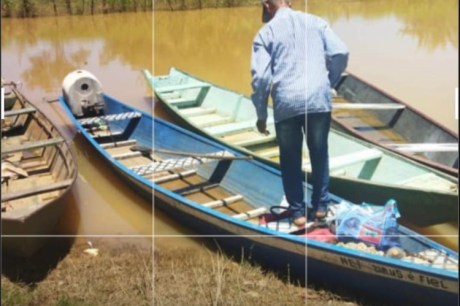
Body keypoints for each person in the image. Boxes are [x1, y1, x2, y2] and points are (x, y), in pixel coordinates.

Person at [251, 0, 349, 226]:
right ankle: (321, 207)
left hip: (287, 102)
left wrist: (261, 114)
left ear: (267, 6)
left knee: (290, 159)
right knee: (319, 152)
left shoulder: (265, 33)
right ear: (290, 2)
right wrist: (329, 81)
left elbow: (262, 78)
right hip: (318, 99)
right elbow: (341, 52)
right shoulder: (316, 22)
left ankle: (298, 214)